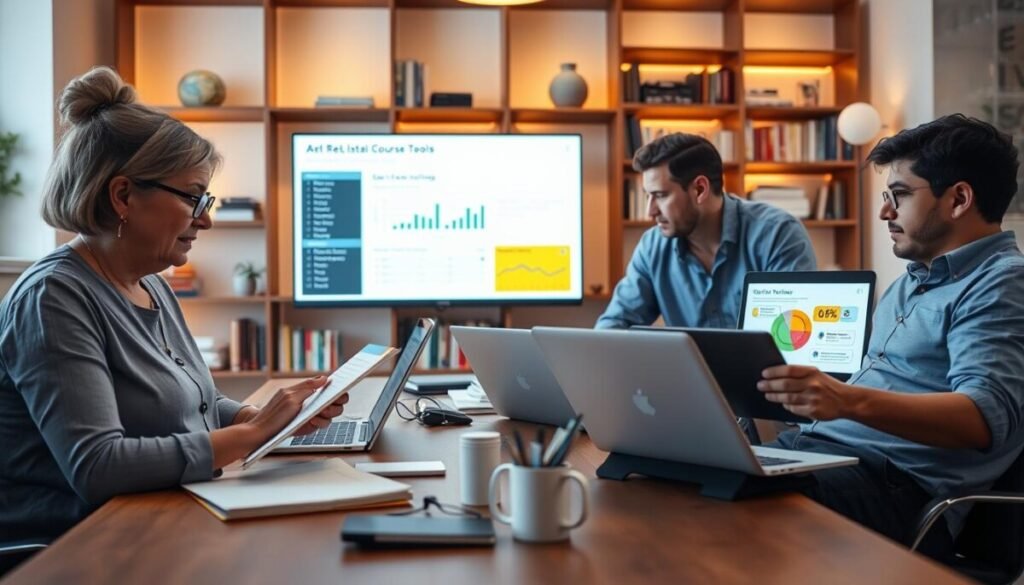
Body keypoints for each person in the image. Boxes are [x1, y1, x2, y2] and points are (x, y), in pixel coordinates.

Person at [0, 67, 348, 542]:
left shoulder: (153, 284)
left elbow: (192, 403)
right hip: (79, 544)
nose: (205, 220)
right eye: (193, 198)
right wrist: (252, 434)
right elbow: (97, 466)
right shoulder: (53, 298)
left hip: (160, 514)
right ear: (123, 195)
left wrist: (260, 419)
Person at [757, 114, 1024, 558]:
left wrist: (846, 400)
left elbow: (981, 417)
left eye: (898, 195)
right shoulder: (910, 281)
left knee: (723, 503)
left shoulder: (1002, 283)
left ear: (959, 198)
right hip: (822, 455)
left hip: (894, 487)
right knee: (671, 473)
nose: (885, 211)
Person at [596, 132, 816, 329]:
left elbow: (793, 337)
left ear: (699, 189)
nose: (650, 211)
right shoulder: (653, 247)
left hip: (766, 375)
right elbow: (616, 324)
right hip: (686, 375)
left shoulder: (777, 235)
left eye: (661, 196)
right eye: (648, 196)